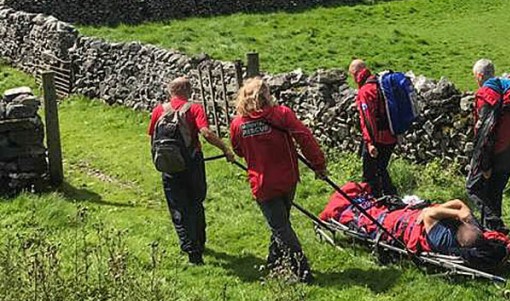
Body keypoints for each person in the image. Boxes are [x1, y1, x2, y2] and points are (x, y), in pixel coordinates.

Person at [229, 77, 327, 283]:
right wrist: (318, 164)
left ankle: (302, 271)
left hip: (263, 183)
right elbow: (304, 137)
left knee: (280, 226)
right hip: (287, 178)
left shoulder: (238, 124)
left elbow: (237, 150)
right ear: (266, 95)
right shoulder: (282, 114)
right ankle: (275, 261)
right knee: (281, 223)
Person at [148, 76, 234, 265]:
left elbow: (152, 136)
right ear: (188, 91)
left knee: (178, 208)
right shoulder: (193, 108)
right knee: (195, 203)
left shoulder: (159, 110)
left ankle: (191, 251)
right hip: (192, 163)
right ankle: (199, 243)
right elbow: (206, 133)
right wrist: (225, 149)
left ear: (171, 92)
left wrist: (160, 159)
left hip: (169, 166)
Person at [466, 58, 510, 233]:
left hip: (495, 152)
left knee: (473, 188)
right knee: (493, 194)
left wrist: (485, 165)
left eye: (476, 76)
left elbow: (486, 134)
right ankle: (493, 236)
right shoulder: (509, 91)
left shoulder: (487, 95)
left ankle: (496, 226)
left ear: (480, 76)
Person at [348, 59, 398, 196]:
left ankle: (377, 200)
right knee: (381, 168)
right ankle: (389, 197)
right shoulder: (379, 84)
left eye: (352, 75)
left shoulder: (365, 91)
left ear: (356, 73)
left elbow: (367, 120)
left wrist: (370, 143)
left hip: (377, 138)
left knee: (370, 173)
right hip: (392, 134)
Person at [417, 199, 484, 254]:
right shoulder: (474, 227)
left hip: (424, 224)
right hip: (438, 217)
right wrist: (466, 211)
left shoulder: (442, 240)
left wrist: (458, 213)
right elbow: (457, 202)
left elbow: (428, 214)